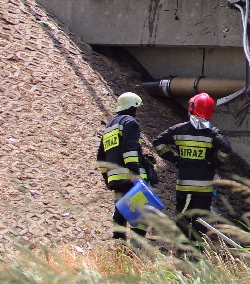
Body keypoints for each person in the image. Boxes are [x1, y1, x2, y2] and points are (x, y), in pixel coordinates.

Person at [153, 92, 232, 249]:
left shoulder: (179, 130)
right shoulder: (212, 133)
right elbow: (226, 149)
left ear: (192, 108)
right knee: (200, 221)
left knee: (182, 219)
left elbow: (158, 142)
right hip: (204, 189)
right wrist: (214, 164)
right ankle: (198, 253)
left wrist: (174, 159)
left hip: (184, 187)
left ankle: (182, 252)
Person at [97, 91, 149, 241]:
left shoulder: (109, 126)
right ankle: (136, 250)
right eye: (137, 108)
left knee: (121, 211)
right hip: (130, 177)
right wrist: (135, 174)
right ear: (133, 108)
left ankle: (119, 247)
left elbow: (101, 156)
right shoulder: (130, 123)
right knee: (140, 214)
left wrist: (107, 179)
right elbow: (130, 150)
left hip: (116, 178)